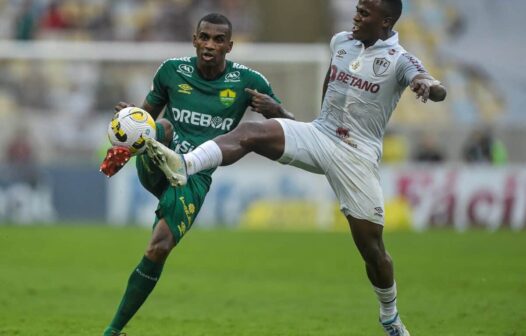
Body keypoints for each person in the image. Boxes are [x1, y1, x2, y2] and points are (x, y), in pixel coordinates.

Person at [144, 0, 447, 335]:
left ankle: (390, 316)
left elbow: (430, 83)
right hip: (320, 135)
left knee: (372, 250)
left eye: (364, 13)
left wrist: (427, 87)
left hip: (357, 156)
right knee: (249, 133)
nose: (356, 15)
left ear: (386, 20)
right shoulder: (341, 42)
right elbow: (329, 87)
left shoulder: (399, 59)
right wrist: (310, 122)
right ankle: (186, 164)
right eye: (357, 8)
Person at [99, 13, 293, 336]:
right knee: (163, 126)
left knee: (158, 248)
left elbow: (291, 129)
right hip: (160, 161)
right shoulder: (172, 71)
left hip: (195, 177)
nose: (209, 45)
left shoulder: (249, 82)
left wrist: (277, 112)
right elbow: (146, 119)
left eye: (218, 40)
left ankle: (113, 330)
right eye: (204, 37)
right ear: (194, 39)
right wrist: (129, 122)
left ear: (230, 46)